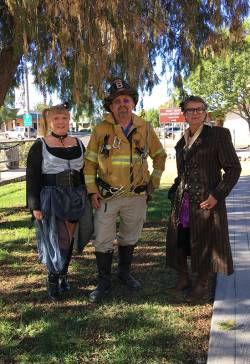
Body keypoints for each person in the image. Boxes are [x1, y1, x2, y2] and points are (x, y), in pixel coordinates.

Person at [84, 78, 166, 303]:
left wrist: (153, 184)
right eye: (117, 101)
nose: (122, 104)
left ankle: (124, 272)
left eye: (126, 100)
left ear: (133, 103)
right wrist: (92, 191)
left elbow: (159, 156)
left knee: (130, 236)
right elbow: (89, 162)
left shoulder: (145, 128)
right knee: (103, 239)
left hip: (137, 196)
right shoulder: (101, 129)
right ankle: (103, 282)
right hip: (107, 197)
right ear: (110, 106)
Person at [166, 95, 241, 303]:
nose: (195, 113)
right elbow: (183, 173)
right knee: (180, 240)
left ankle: (202, 284)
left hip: (207, 200)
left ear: (206, 112)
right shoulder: (182, 141)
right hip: (183, 201)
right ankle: (183, 278)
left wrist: (217, 195)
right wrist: (175, 190)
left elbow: (234, 169)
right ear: (184, 115)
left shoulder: (218, 134)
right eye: (190, 110)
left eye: (199, 109)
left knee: (205, 242)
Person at [26, 104, 87, 301]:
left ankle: (63, 275)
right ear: (49, 122)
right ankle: (53, 279)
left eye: (64, 118)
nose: (61, 123)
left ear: (69, 120)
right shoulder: (40, 144)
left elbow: (86, 172)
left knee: (68, 239)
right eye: (56, 119)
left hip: (75, 196)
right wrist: (34, 205)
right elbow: (32, 177)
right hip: (51, 197)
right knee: (57, 239)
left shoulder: (78, 142)